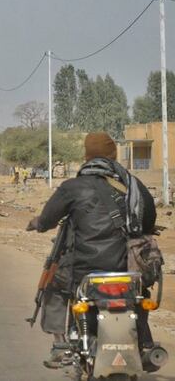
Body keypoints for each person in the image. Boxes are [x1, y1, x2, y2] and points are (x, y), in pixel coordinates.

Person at [26, 132, 157, 369]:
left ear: (86, 156)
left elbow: (46, 220)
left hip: (83, 268)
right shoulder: (133, 184)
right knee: (140, 295)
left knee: (53, 285)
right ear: (113, 155)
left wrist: (37, 223)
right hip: (127, 266)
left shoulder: (72, 187)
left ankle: (60, 345)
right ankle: (145, 344)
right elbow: (148, 223)